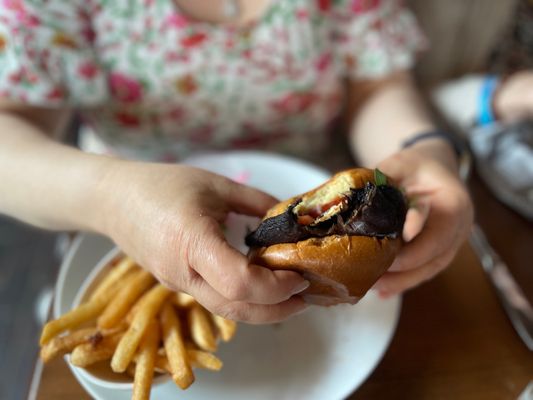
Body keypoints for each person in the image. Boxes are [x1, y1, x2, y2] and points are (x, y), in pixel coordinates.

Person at [0, 0, 474, 324]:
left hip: (321, 191)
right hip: (123, 219)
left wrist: (427, 146)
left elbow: (377, 88)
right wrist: (112, 199)